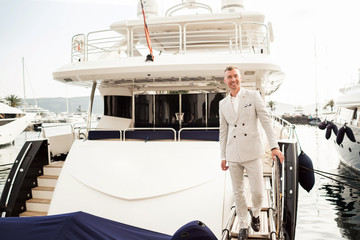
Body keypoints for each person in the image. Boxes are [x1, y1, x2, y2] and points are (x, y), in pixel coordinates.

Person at [219, 66, 284, 240]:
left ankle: (255, 213)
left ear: (239, 78)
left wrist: (274, 146)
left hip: (252, 151)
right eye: (229, 77)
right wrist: (223, 156)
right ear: (225, 81)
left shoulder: (253, 96)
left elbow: (266, 121)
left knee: (258, 192)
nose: (233, 80)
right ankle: (243, 224)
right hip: (233, 153)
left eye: (235, 76)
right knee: (238, 192)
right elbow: (223, 131)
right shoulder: (222, 104)